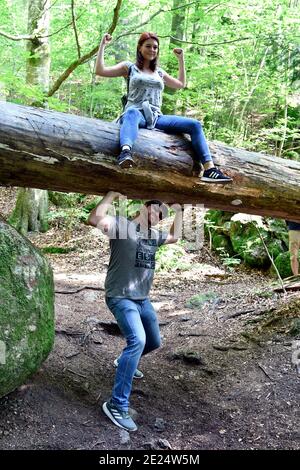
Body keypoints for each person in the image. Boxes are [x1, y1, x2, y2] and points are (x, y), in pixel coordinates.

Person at [87, 191, 183, 432]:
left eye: (162, 214)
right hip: (121, 297)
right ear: (144, 207)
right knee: (137, 340)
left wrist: (180, 211)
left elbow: (176, 236)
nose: (157, 216)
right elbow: (94, 219)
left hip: (143, 300)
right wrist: (110, 194)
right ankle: (117, 405)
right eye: (155, 210)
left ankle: (124, 361)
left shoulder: (153, 236)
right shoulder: (122, 225)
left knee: (153, 342)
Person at [95, 32, 232, 183]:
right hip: (136, 114)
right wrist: (103, 45)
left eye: (155, 47)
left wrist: (181, 60)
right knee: (131, 112)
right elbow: (101, 71)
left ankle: (210, 169)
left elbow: (180, 84)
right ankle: (125, 153)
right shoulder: (129, 68)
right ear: (139, 48)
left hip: (157, 117)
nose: (152, 50)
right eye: (148, 46)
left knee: (195, 124)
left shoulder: (159, 72)